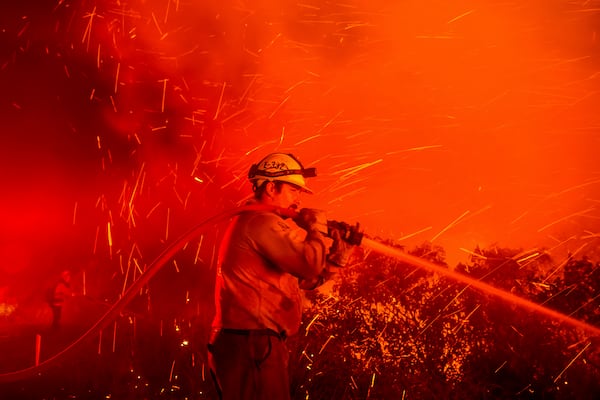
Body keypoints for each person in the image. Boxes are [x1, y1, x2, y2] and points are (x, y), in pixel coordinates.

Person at [208, 152, 355, 400]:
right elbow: (307, 265)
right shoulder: (261, 222)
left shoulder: (264, 225)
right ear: (271, 187)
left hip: (252, 344)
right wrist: (316, 229)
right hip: (250, 343)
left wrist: (339, 255)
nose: (297, 199)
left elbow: (308, 278)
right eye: (293, 190)